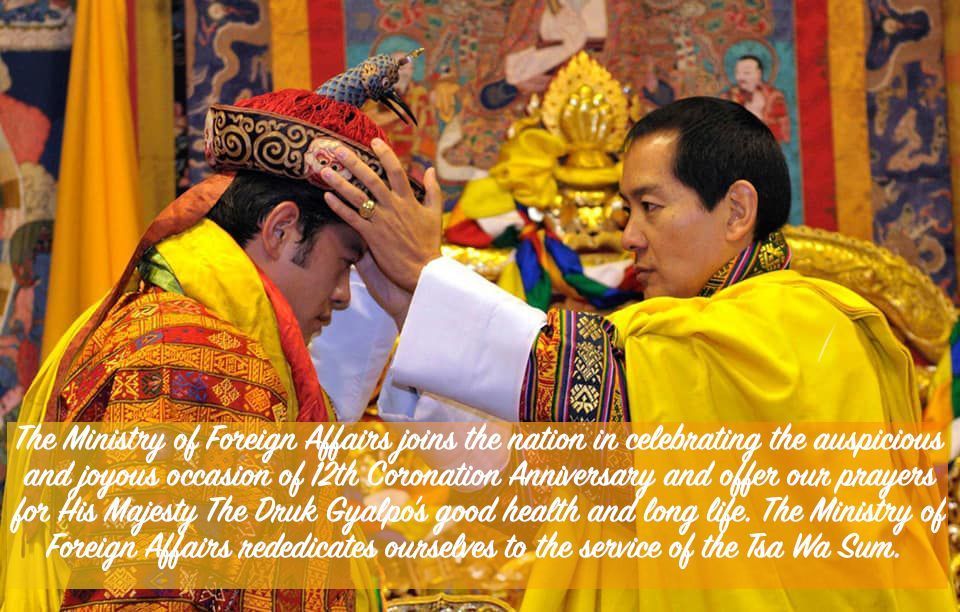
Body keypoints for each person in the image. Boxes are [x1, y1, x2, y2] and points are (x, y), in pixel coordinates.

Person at [318, 96, 954, 609]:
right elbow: (534, 480)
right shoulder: (674, 340)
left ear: (737, 211)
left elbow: (593, 386)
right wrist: (411, 308)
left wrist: (428, 275)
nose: (629, 236)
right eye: (629, 210)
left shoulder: (801, 326)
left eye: (650, 207)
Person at [0, 57, 440, 609]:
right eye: (345, 262)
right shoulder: (188, 356)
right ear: (281, 229)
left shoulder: (168, 324)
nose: (344, 295)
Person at [724, 54, 790, 142]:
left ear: (759, 74)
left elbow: (782, 132)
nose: (740, 77)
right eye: (737, 72)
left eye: (746, 73)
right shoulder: (728, 97)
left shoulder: (774, 97)